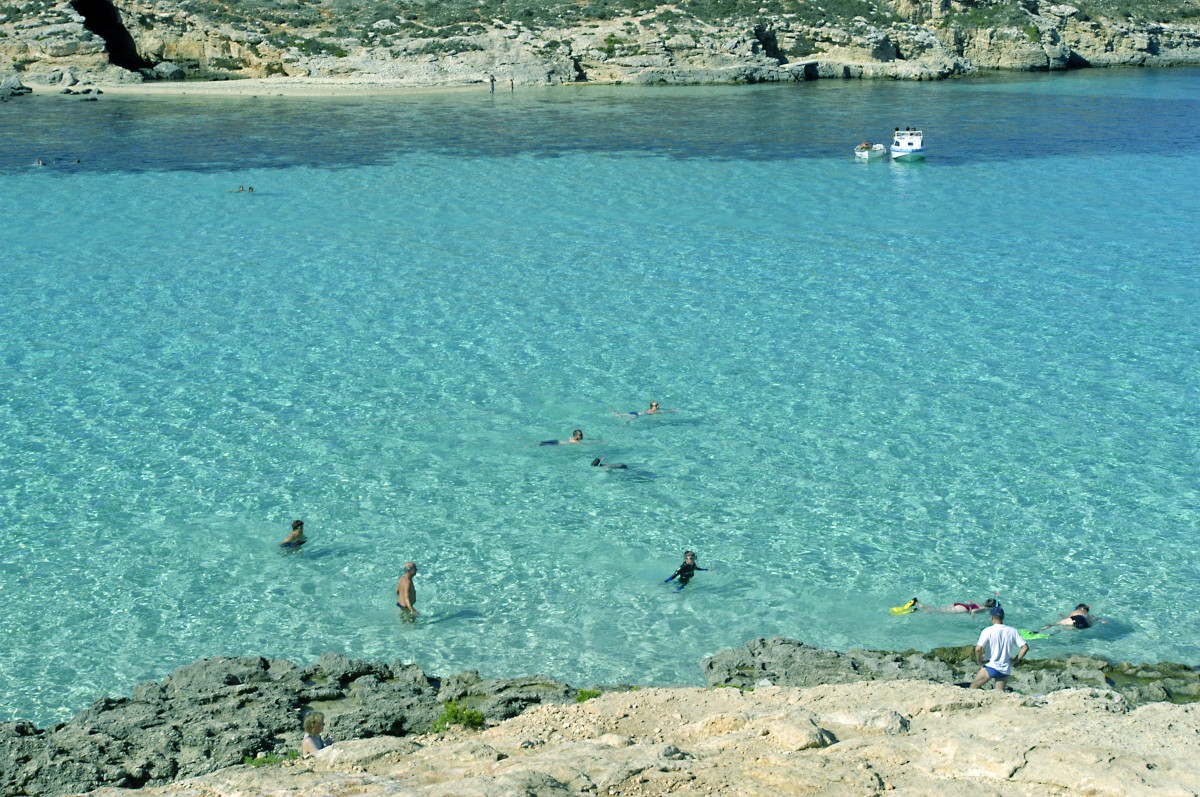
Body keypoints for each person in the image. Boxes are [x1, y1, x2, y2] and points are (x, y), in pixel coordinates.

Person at [969, 606, 1028, 691]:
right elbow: (1025, 648)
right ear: (1003, 617)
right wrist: (1015, 660)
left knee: (973, 688)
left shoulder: (988, 630)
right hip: (1004, 669)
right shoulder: (1013, 631)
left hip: (991, 666)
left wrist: (980, 661)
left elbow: (978, 649)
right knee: (999, 694)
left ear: (991, 617)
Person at [912, 598, 998, 615]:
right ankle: (917, 606)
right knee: (938, 611)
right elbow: (974, 611)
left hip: (960, 604)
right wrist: (972, 617)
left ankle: (918, 607)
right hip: (963, 609)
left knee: (939, 609)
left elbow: (969, 601)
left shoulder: (981, 603)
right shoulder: (985, 608)